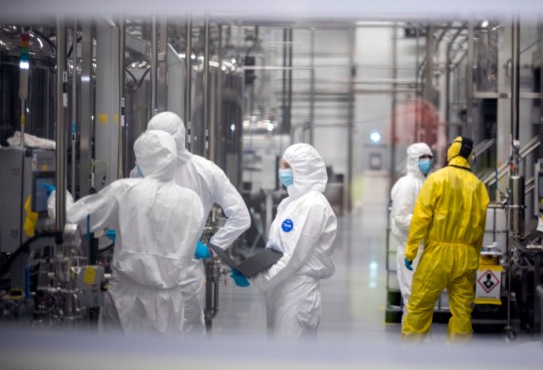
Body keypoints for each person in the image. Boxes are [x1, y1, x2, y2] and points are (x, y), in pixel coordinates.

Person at [48, 130, 205, 335]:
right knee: (162, 364)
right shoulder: (192, 201)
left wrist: (56, 195)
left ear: (143, 159)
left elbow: (73, 218)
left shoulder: (125, 190)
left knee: (118, 363)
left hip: (125, 300)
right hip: (169, 303)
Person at [143, 112, 251, 336]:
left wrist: (210, 248)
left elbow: (241, 215)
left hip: (184, 273)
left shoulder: (205, 171)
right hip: (147, 271)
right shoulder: (143, 168)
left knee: (185, 338)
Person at [231, 143, 336, 339]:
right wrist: (252, 268)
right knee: (279, 355)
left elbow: (294, 257)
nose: (282, 171)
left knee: (293, 357)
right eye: (282, 165)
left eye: (288, 166)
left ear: (303, 169)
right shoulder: (289, 203)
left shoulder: (314, 205)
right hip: (279, 287)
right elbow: (276, 248)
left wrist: (258, 280)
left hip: (297, 292)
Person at [402, 136, 489, 341]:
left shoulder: (436, 179)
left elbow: (420, 220)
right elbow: (480, 228)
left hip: (437, 256)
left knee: (419, 307)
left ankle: (408, 359)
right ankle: (458, 363)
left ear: (450, 153)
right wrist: (474, 258)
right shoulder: (479, 187)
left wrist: (411, 251)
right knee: (462, 312)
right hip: (466, 256)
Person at [390, 142, 433, 319]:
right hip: (411, 247)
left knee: (424, 297)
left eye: (430, 157)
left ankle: (422, 339)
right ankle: (413, 340)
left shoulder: (426, 182)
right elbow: (401, 218)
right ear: (413, 160)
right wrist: (428, 222)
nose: (427, 161)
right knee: (412, 296)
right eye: (423, 157)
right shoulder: (406, 185)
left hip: (426, 247)